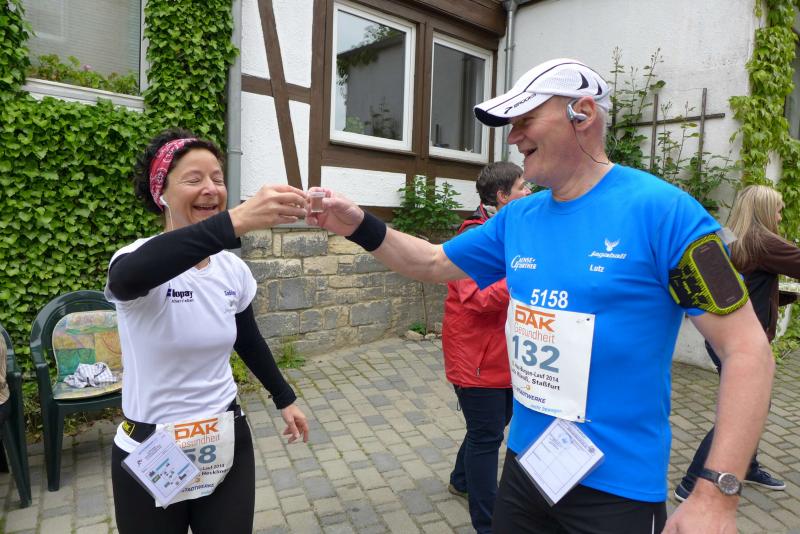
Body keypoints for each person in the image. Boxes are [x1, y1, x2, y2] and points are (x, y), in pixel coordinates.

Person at [306, 58, 774, 533]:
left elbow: (747, 350)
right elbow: (430, 262)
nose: (513, 137)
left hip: (619, 486)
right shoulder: (518, 218)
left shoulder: (667, 214)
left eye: (526, 120)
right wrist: (358, 225)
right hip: (530, 466)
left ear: (582, 113)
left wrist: (716, 496)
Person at [105, 128, 310, 534]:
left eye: (218, 178)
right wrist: (236, 220)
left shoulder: (232, 270)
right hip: (153, 448)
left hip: (223, 438)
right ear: (161, 193)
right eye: (193, 179)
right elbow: (128, 279)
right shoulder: (135, 259)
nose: (211, 189)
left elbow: (247, 338)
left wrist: (284, 398)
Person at [676, 184, 798, 501]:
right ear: (764, 210)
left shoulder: (732, 238)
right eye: (778, 209)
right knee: (746, 408)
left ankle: (747, 465)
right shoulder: (764, 242)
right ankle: (691, 483)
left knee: (753, 403)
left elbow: (746, 286)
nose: (780, 216)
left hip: (723, 337)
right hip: (743, 342)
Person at [443, 161, 528, 533]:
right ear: (503, 196)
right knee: (487, 437)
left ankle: (460, 479)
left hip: (503, 355)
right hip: (475, 359)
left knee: (492, 425)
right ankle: (487, 522)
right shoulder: (472, 237)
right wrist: (523, 276)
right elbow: (476, 297)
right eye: (522, 187)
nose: (530, 192)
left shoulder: (514, 233)